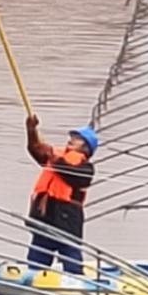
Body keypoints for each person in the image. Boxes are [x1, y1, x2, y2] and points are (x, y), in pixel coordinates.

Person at [23, 114, 97, 274]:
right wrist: (31, 130)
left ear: (86, 147)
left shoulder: (86, 168)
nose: (71, 139)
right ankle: (33, 280)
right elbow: (35, 149)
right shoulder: (55, 154)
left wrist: (55, 159)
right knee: (37, 257)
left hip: (66, 221)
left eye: (77, 138)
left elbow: (69, 172)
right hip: (45, 217)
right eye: (72, 136)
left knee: (71, 257)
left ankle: (77, 283)